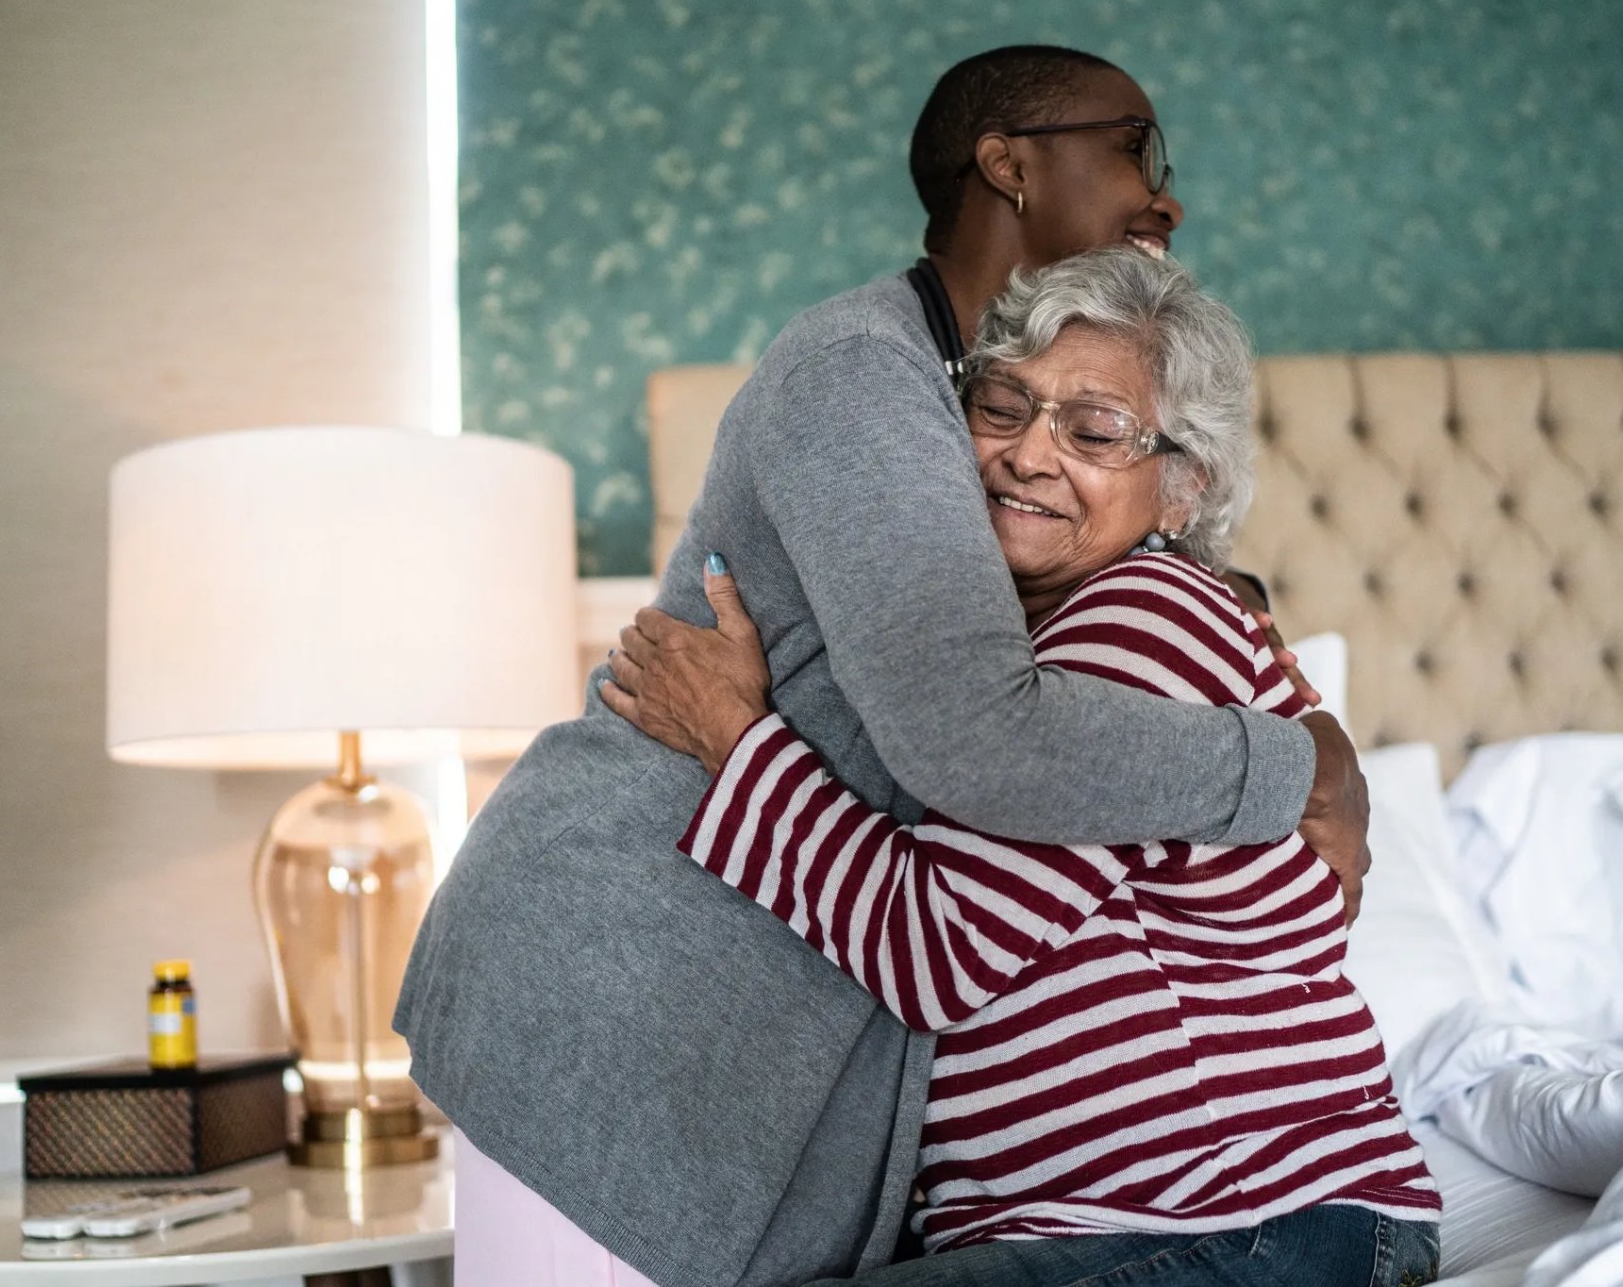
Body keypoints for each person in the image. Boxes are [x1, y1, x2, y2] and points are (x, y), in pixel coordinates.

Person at [395, 45, 1370, 1287]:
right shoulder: (862, 374)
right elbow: (979, 736)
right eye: (1133, 144)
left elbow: (1077, 611)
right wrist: (1294, 760)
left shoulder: (975, 417)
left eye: (1089, 427)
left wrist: (1223, 605)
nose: (1163, 193)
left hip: (757, 1018)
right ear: (1008, 166)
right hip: (612, 971)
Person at [603, 248, 1440, 1287]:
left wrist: (735, 738)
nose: (1027, 456)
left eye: (1092, 431)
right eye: (1002, 406)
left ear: (1182, 490)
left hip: (1238, 1218)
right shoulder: (987, 671)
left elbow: (934, 950)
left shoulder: (1143, 617)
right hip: (1133, 1228)